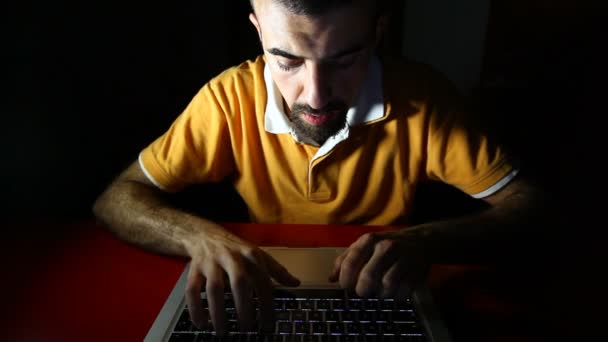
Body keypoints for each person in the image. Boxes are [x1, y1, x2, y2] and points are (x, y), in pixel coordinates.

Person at [93, 0, 544, 336]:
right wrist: (198, 236)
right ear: (257, 31)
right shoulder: (227, 100)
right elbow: (116, 198)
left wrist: (427, 239)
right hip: (264, 300)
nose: (315, 95)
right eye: (286, 60)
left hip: (380, 298)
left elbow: (530, 206)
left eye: (343, 59)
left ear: (378, 32)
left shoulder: (426, 99)